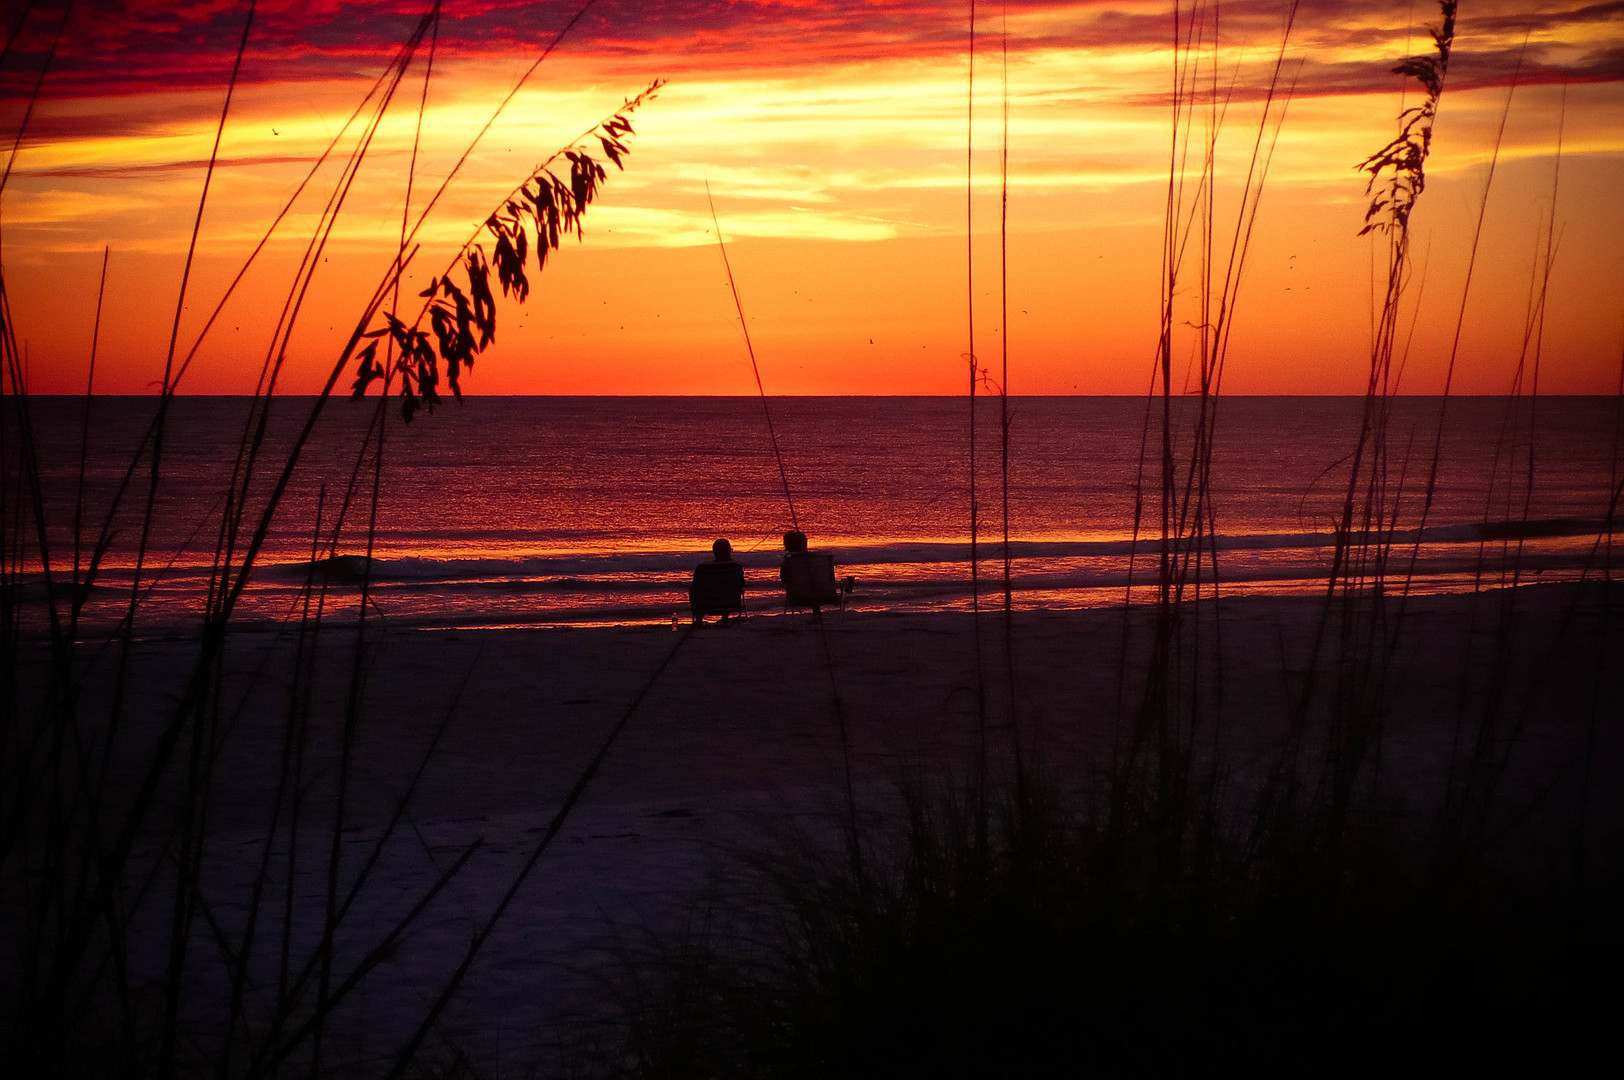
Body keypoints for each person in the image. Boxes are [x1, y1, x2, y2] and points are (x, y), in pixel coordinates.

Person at [779, 529, 841, 616]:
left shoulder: (788, 563)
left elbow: (784, 579)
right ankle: (816, 613)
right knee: (815, 586)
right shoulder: (818, 561)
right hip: (825, 596)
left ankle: (815, 616)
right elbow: (828, 579)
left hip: (798, 597)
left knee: (809, 586)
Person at [689, 538, 745, 624]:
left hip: (705, 604)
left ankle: (699, 619)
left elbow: (696, 587)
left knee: (693, 590)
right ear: (728, 552)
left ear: (714, 552)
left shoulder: (702, 568)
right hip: (731, 603)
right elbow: (742, 586)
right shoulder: (736, 567)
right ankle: (725, 617)